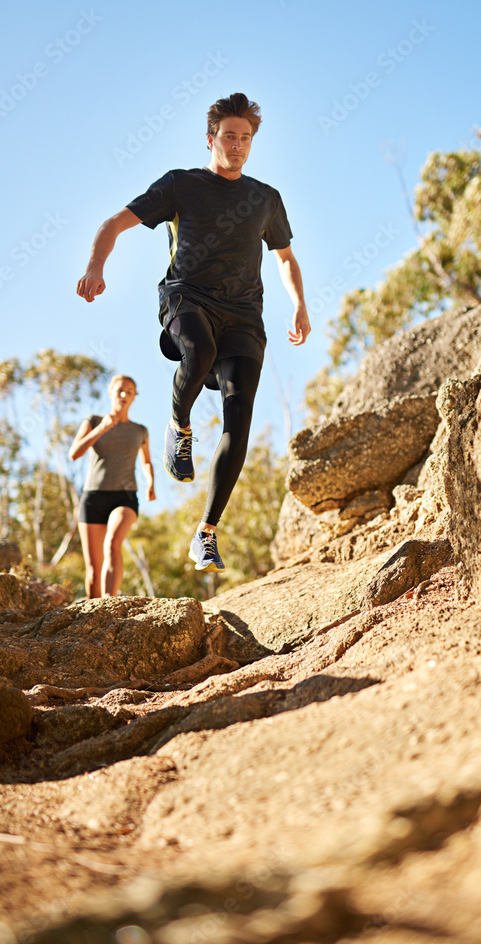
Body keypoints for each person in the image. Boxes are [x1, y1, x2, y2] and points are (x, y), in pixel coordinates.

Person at [76, 92, 310, 574]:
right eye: (229, 136)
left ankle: (206, 532)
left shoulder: (266, 198)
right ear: (211, 139)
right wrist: (96, 266)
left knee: (239, 417)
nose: (238, 145)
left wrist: (300, 306)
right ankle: (178, 425)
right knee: (198, 350)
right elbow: (113, 223)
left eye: (246, 138)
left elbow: (285, 258)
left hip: (245, 315)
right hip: (186, 297)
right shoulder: (181, 185)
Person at [69, 374, 155, 597]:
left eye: (130, 391)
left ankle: (110, 602)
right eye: (120, 390)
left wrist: (151, 483)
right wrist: (101, 429)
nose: (124, 394)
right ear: (110, 392)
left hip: (124, 497)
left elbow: (146, 460)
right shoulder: (94, 421)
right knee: (93, 573)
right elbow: (74, 453)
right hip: (93, 498)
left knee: (113, 543)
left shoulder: (139, 431)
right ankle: (93, 621)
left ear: (135, 397)